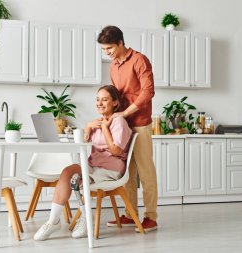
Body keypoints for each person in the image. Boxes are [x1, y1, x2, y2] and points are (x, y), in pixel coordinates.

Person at [33, 85, 133, 241]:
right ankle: (53, 221)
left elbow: (116, 151)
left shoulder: (119, 122)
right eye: (98, 99)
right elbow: (84, 144)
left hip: (111, 168)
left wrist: (105, 128)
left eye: (104, 99)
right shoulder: (97, 122)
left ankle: (86, 219)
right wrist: (87, 128)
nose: (100, 103)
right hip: (93, 166)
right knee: (67, 172)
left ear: (115, 103)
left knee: (79, 179)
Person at [97, 25, 158, 232]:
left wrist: (124, 113)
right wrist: (110, 116)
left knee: (145, 171)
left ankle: (151, 216)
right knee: (127, 172)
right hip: (121, 126)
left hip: (140, 123)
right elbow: (116, 97)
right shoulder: (113, 66)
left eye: (110, 49)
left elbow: (148, 92)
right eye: (104, 50)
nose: (107, 53)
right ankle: (131, 214)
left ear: (121, 43)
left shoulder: (140, 60)